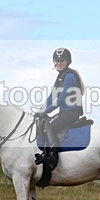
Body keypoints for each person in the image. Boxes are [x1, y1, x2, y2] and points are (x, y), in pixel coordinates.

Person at [35, 47, 85, 176]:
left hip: (71, 113)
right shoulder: (60, 77)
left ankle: (52, 157)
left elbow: (62, 99)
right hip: (64, 112)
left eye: (62, 60)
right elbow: (52, 96)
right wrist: (41, 110)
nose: (59, 63)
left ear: (68, 61)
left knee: (50, 125)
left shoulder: (69, 76)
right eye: (57, 61)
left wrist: (47, 111)